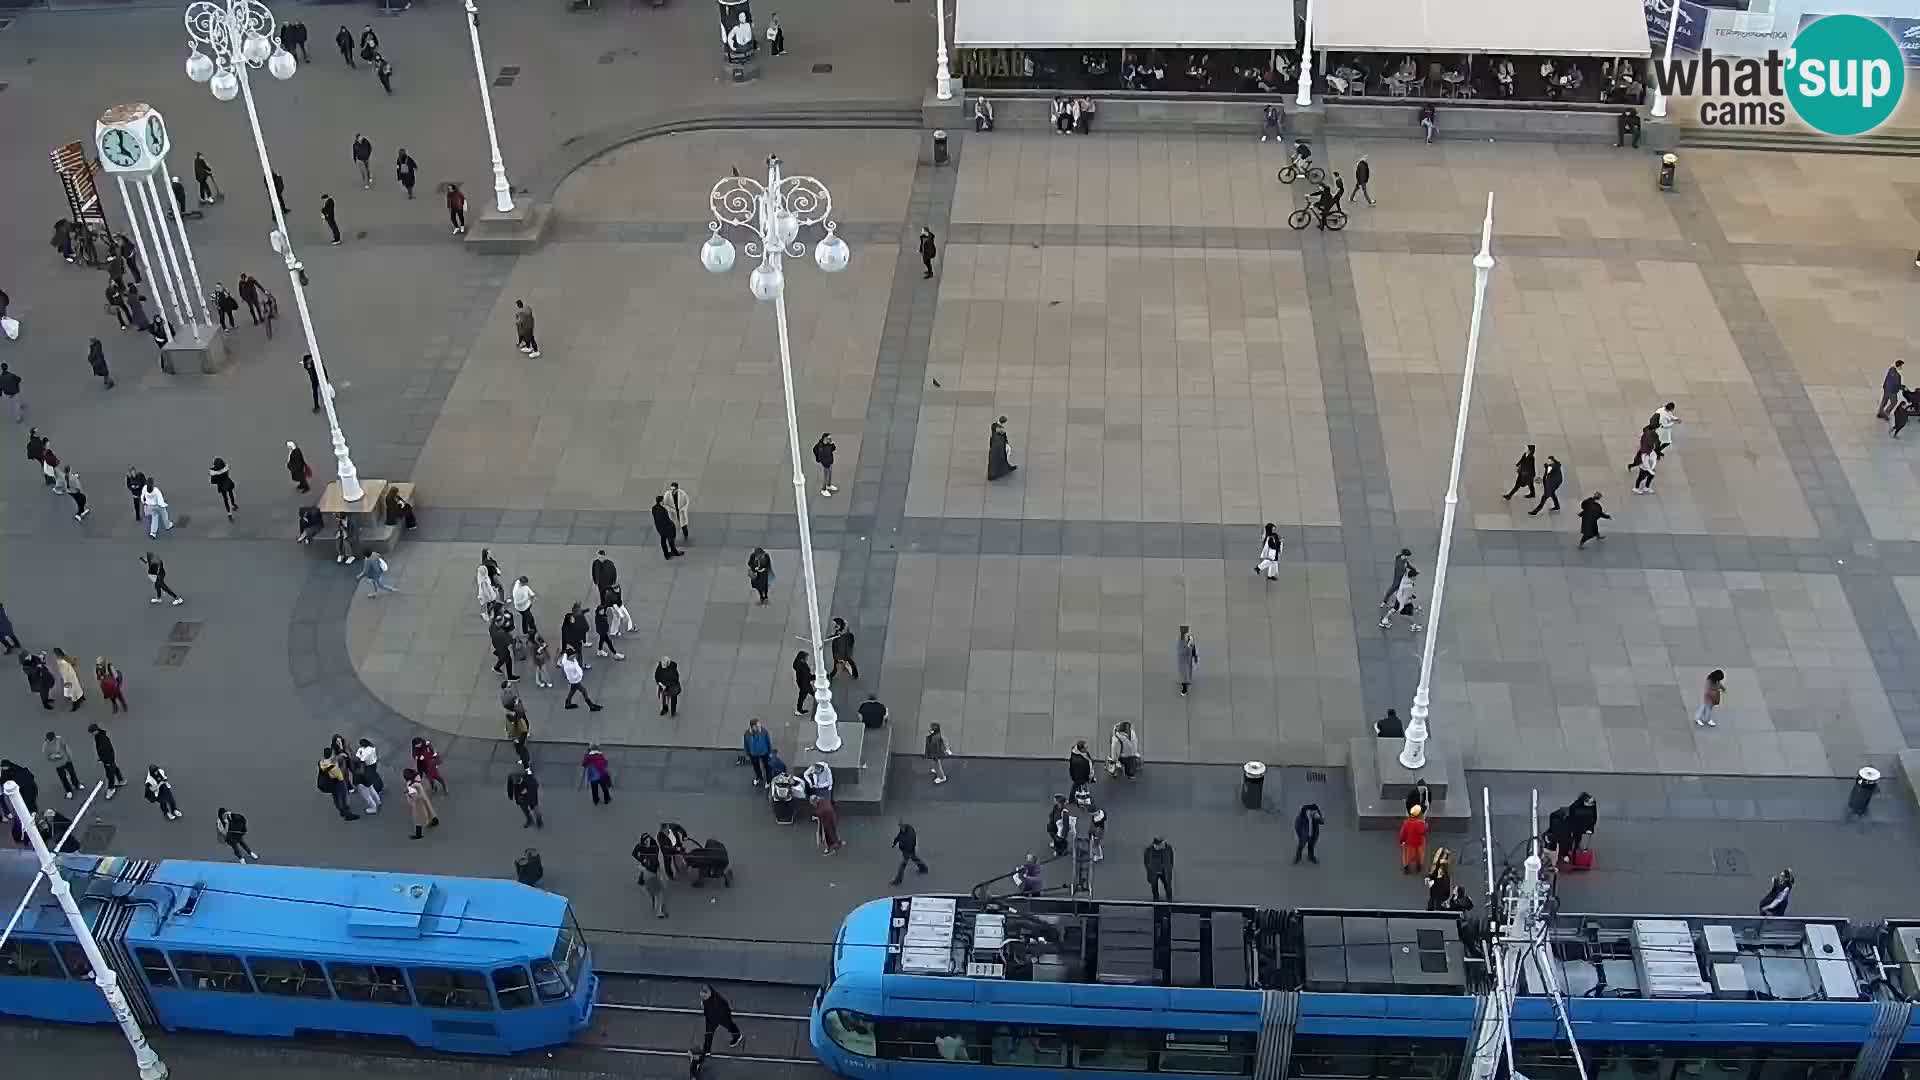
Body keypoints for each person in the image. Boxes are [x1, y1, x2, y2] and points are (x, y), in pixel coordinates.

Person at [318, 746, 357, 821]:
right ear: (331, 754)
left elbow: (328, 765)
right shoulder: (333, 765)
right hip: (338, 782)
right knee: (343, 797)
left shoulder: (321, 762)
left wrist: (338, 756)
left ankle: (341, 811)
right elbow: (337, 771)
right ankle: (347, 815)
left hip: (331, 783)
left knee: (336, 798)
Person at [699, 985, 743, 1053]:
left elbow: (723, 1010)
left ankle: (737, 1036)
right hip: (712, 1017)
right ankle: (706, 1050)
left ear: (709, 993)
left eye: (704, 995)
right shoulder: (708, 997)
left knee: (729, 1025)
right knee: (709, 1034)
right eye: (701, 994)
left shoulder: (717, 1002)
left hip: (721, 1016)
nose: (702, 996)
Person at [1380, 567, 1421, 632]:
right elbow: (1406, 596)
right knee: (1408, 614)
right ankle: (1414, 626)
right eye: (1415, 575)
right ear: (1412, 576)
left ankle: (1385, 620)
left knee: (1394, 609)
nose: (1416, 577)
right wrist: (1403, 605)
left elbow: (1403, 590)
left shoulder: (1405, 578)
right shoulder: (1409, 586)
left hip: (1398, 597)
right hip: (1403, 600)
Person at [561, 647, 602, 712]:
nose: (574, 655)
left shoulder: (565, 661)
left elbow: (565, 655)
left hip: (571, 680)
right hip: (575, 680)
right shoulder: (572, 665)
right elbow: (579, 672)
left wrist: (566, 652)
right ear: (570, 656)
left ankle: (567, 703)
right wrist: (579, 677)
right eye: (573, 655)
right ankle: (591, 706)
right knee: (584, 691)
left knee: (572, 690)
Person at [87, 724, 124, 796]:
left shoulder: (101, 739)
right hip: (109, 758)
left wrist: (106, 761)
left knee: (109, 774)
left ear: (95, 731)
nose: (91, 734)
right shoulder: (99, 736)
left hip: (108, 759)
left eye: (92, 732)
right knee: (114, 768)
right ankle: (121, 780)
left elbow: (106, 751)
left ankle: (111, 788)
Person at [890, 821, 929, 885]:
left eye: (901, 827)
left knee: (902, 866)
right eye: (900, 827)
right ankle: (923, 868)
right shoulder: (903, 830)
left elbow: (911, 842)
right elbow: (899, 836)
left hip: (908, 850)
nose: (901, 828)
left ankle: (898, 881)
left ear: (904, 826)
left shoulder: (910, 833)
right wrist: (895, 843)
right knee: (914, 858)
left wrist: (907, 851)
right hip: (906, 850)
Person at [43, 731, 80, 798]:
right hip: (58, 764)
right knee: (63, 778)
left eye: (53, 739)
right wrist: (54, 756)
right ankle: (69, 791)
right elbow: (47, 757)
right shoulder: (45, 746)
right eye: (50, 740)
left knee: (72, 773)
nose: (51, 741)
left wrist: (69, 757)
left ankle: (76, 784)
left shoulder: (59, 739)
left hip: (66, 760)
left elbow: (66, 747)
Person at [404, 768, 439, 839]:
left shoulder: (410, 786)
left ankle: (418, 834)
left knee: (418, 819)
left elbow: (414, 797)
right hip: (424, 798)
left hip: (418, 803)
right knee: (429, 809)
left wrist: (407, 793)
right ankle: (435, 821)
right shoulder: (417, 779)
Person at [743, 718, 774, 785]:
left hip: (764, 752)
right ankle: (759, 777)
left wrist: (770, 752)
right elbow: (746, 744)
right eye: (757, 725)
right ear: (752, 726)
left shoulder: (764, 732)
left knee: (767, 766)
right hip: (753, 754)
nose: (759, 726)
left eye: (759, 724)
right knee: (756, 767)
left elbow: (768, 742)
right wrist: (747, 754)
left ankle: (769, 780)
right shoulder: (747, 734)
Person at [1398, 805, 1428, 874]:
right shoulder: (1422, 824)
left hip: (1409, 842)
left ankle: (1406, 868)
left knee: (1406, 856)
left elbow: (1402, 833)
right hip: (1419, 842)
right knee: (1420, 855)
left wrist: (1401, 841)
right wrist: (1425, 824)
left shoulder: (1406, 823)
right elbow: (1425, 831)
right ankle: (1419, 866)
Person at [1144, 837, 1174, 901]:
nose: (1159, 847)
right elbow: (1146, 861)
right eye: (1157, 846)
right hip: (1153, 872)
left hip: (1165, 871)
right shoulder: (1149, 850)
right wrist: (1149, 869)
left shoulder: (1168, 848)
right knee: (1154, 889)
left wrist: (1169, 868)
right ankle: (1156, 903)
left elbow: (1171, 859)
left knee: (1168, 888)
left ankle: (1169, 903)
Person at [1175, 625, 1198, 695]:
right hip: (1183, 658)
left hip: (1188, 658)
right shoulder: (1180, 639)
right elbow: (1182, 650)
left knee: (1187, 671)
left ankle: (1186, 683)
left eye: (1185, 629)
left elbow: (1193, 646)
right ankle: (1184, 687)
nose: (1183, 630)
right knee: (1183, 672)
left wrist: (1195, 656)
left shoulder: (1190, 637)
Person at [793, 650, 815, 715]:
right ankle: (799, 710)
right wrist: (814, 677)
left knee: (805, 695)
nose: (807, 659)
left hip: (803, 683)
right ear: (802, 659)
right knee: (803, 696)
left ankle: (799, 710)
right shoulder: (802, 668)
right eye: (806, 657)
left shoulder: (800, 663)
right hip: (804, 685)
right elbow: (807, 677)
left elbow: (808, 676)